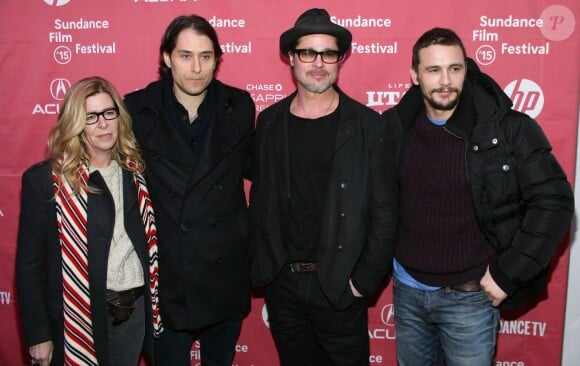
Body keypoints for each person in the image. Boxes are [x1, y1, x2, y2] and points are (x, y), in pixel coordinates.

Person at [382, 27, 574, 365]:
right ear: (414, 75)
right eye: (433, 70)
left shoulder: (507, 128)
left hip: (470, 300)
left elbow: (554, 202)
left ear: (466, 70)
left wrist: (507, 273)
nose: (445, 80)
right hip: (408, 293)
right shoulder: (394, 128)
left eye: (455, 69)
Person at [250, 8, 399, 366]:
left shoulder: (368, 126)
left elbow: (386, 213)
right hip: (283, 285)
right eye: (308, 52)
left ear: (339, 59)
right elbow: (261, 200)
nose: (318, 63)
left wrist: (362, 282)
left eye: (328, 53)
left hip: (339, 287)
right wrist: (269, 274)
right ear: (291, 58)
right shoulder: (269, 122)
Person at [123, 14, 255, 366]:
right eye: (185, 56)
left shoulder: (240, 106)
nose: (196, 68)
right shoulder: (135, 109)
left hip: (223, 272)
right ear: (167, 58)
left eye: (206, 56)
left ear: (217, 60)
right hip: (165, 277)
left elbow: (258, 172)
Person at [15, 76, 162, 366]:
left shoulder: (136, 173)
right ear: (75, 123)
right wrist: (38, 335)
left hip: (131, 315)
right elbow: (30, 266)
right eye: (91, 117)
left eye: (109, 113)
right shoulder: (46, 181)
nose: (103, 124)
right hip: (76, 316)